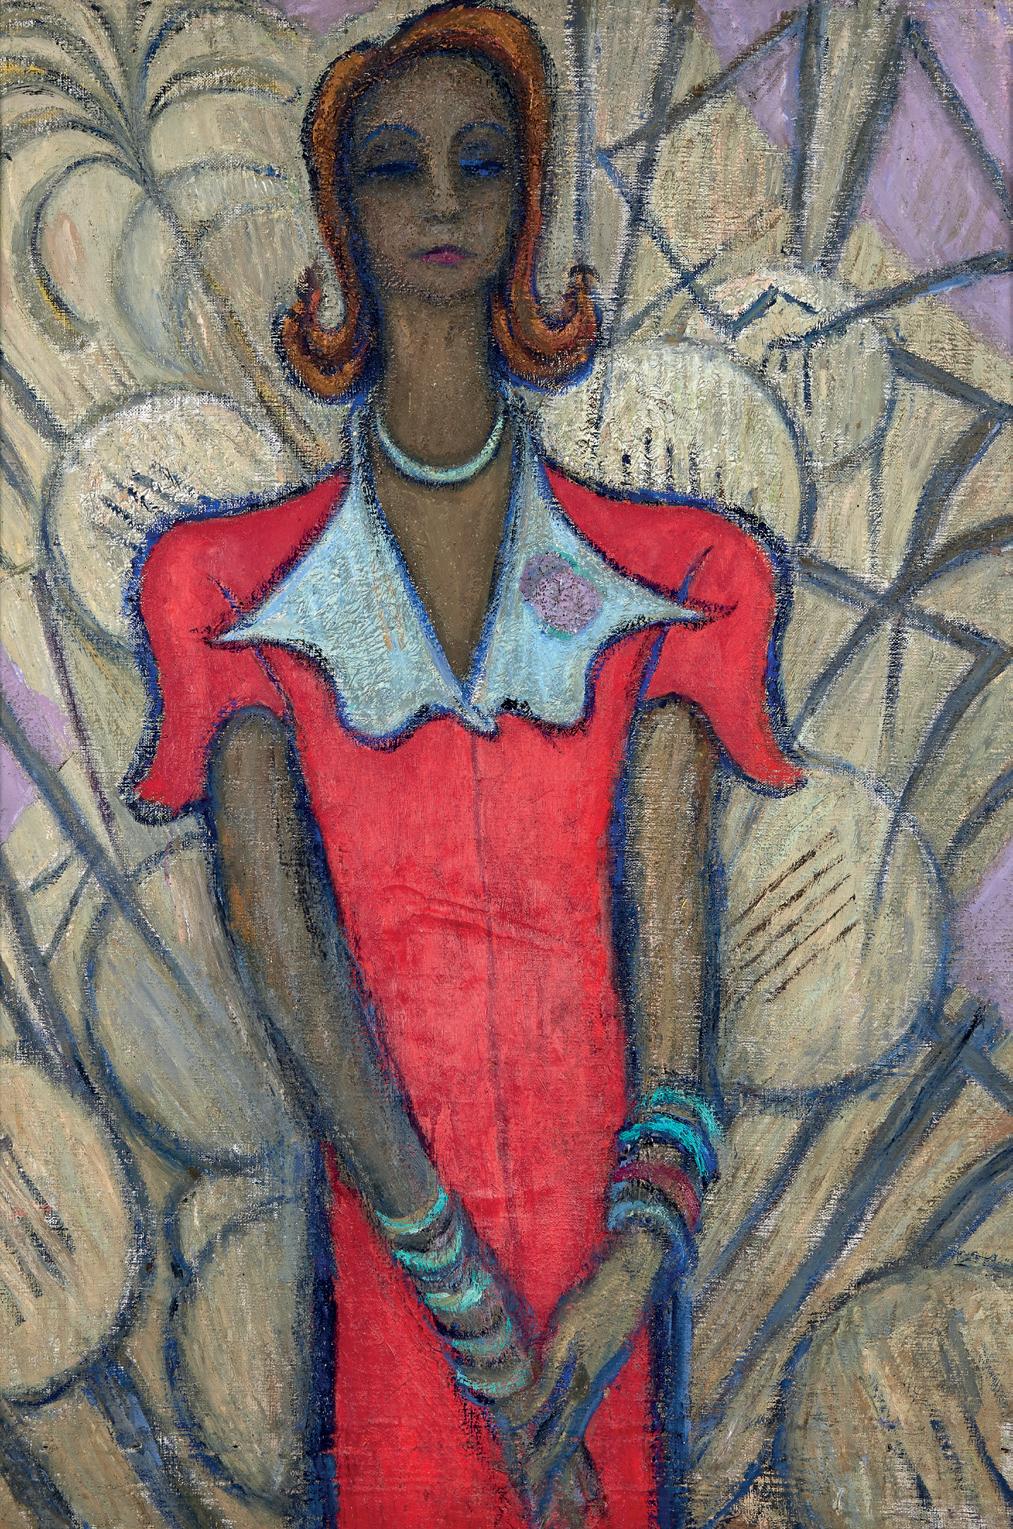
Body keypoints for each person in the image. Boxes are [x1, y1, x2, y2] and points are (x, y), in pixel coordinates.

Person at [126, 5, 802, 1524]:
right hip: (399, 1280)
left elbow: (673, 970)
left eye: (481, 162)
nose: (440, 198)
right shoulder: (232, 592)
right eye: (395, 166)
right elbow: (285, 958)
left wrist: (638, 1253)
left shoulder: (673, 580)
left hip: (608, 1281)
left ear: (529, 201)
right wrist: (465, 1305)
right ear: (338, 218)